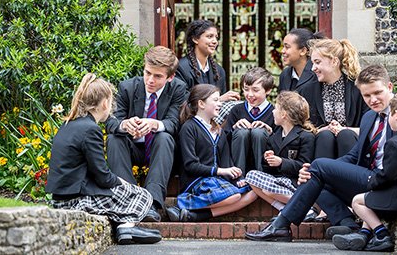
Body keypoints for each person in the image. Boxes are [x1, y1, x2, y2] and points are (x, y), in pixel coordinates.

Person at [245, 65, 397, 242]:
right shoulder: (368, 118)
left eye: (377, 93)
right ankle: (347, 223)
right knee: (315, 176)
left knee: (319, 167)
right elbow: (354, 156)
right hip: (372, 179)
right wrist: (321, 170)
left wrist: (392, 185)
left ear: (389, 87)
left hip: (392, 183)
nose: (372, 100)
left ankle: (281, 225)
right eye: (366, 96)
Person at [46, 73, 161, 245]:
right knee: (142, 195)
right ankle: (126, 227)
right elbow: (102, 176)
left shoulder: (68, 124)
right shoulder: (91, 129)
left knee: (125, 193)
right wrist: (124, 184)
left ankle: (124, 227)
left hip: (60, 199)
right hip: (77, 201)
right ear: (105, 103)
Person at [332, 89, 397, 251]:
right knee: (371, 197)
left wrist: (371, 182)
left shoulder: (394, 143)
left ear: (396, 115)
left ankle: (381, 234)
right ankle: (364, 233)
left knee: (358, 200)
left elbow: (387, 176)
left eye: (390, 114)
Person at [105, 46, 188, 222]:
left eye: (158, 76)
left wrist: (154, 124)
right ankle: (128, 198)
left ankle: (150, 203)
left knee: (164, 136)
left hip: (162, 152)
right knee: (114, 138)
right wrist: (124, 125)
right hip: (133, 146)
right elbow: (110, 121)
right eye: (147, 73)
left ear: (170, 77)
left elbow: (174, 123)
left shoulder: (178, 89)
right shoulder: (127, 87)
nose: (150, 80)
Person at [165, 84, 257, 222]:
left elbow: (227, 162)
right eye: (215, 100)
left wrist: (238, 179)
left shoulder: (219, 131)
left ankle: (194, 215)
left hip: (217, 180)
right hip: (197, 181)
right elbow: (190, 165)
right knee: (235, 196)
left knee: (253, 192)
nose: (220, 104)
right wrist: (221, 171)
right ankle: (184, 202)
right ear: (201, 103)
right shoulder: (188, 128)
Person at [245, 91, 317, 222]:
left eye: (276, 108)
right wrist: (267, 159)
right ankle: (283, 209)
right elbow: (268, 169)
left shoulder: (306, 136)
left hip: (295, 183)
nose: (273, 111)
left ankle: (308, 207)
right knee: (251, 176)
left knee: (269, 191)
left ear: (284, 114)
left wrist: (281, 162)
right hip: (278, 181)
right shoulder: (275, 136)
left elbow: (305, 165)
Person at [301, 38, 369, 159]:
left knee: (346, 135)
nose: (313, 68)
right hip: (321, 146)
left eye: (317, 62)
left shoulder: (358, 89)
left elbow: (369, 126)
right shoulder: (307, 90)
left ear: (334, 61)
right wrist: (319, 130)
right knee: (325, 135)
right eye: (312, 63)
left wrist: (343, 129)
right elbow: (300, 127)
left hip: (351, 144)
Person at [176, 19, 241, 124]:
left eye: (216, 37)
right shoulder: (181, 68)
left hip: (215, 123)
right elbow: (183, 103)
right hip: (190, 124)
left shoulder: (219, 71)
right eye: (209, 36)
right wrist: (218, 99)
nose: (215, 41)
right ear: (195, 39)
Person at [225, 67, 276, 174]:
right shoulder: (236, 110)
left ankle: (261, 177)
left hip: (265, 168)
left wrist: (270, 132)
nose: (250, 94)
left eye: (255, 90)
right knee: (241, 131)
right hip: (237, 164)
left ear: (268, 90)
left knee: (259, 132)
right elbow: (224, 141)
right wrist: (234, 129)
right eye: (246, 89)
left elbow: (282, 144)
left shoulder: (275, 112)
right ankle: (238, 176)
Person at [277, 28, 321, 94]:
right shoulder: (285, 74)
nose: (282, 51)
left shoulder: (317, 73)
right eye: (283, 46)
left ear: (303, 51)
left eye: (287, 47)